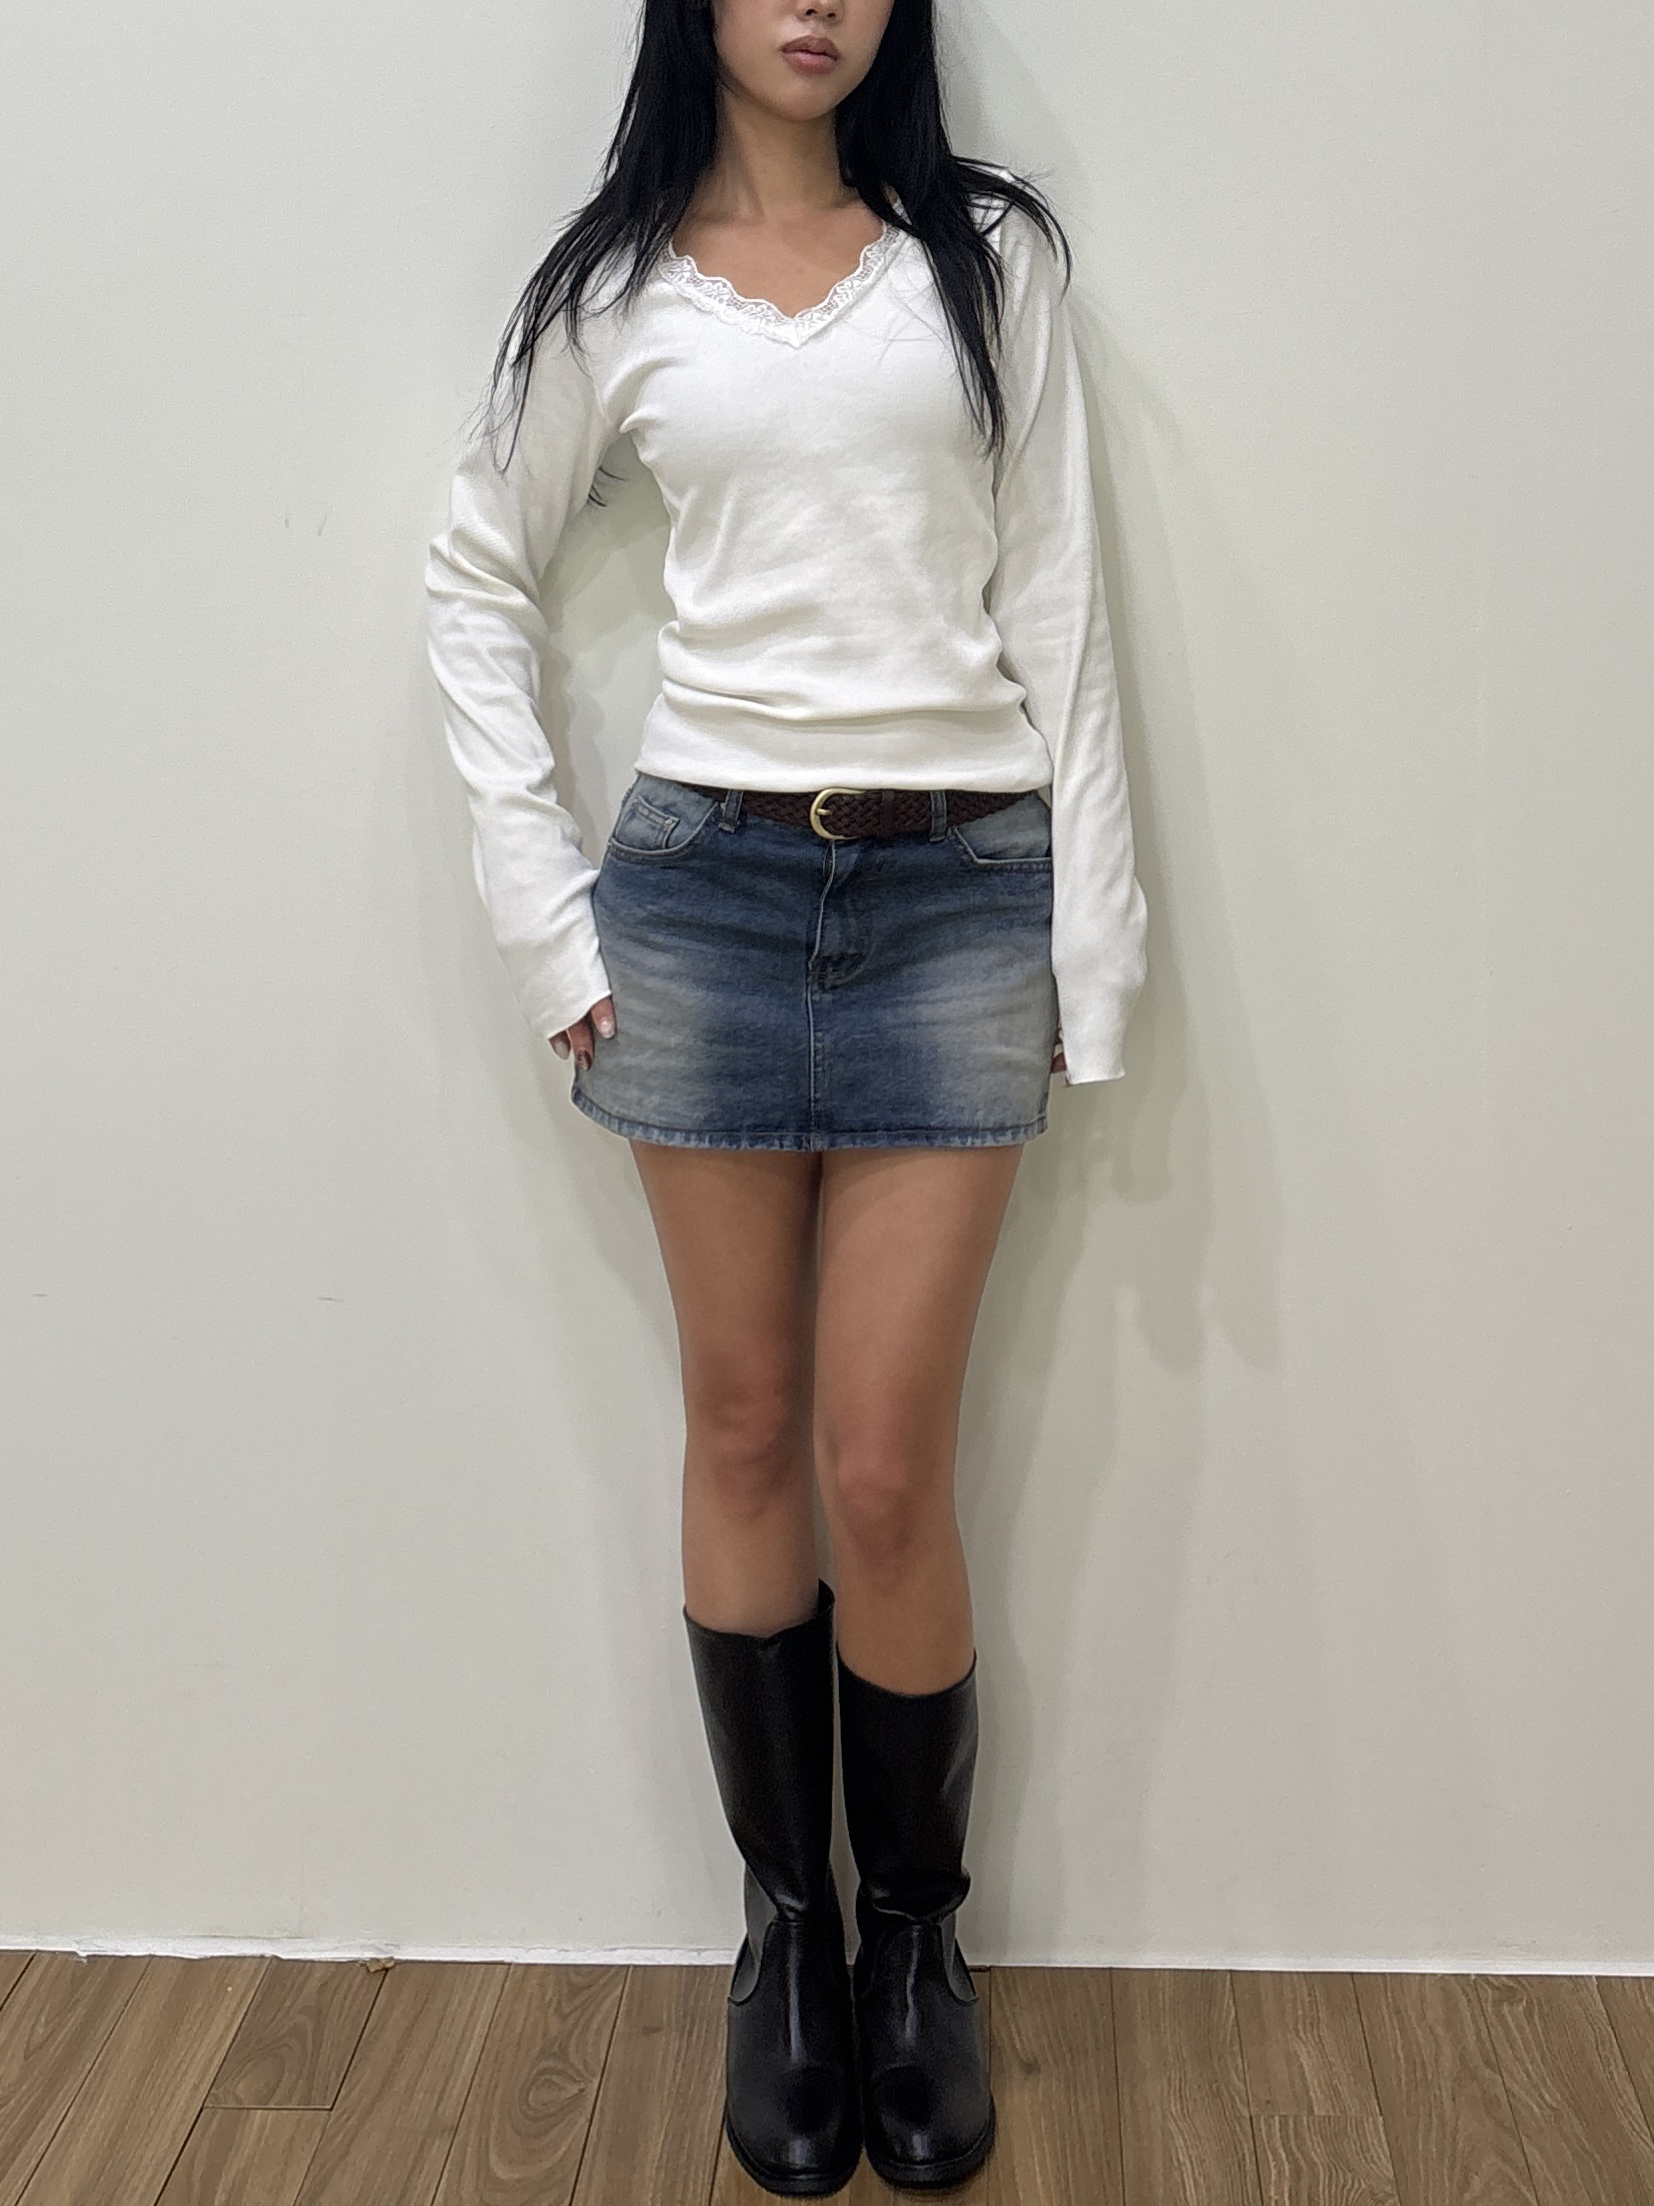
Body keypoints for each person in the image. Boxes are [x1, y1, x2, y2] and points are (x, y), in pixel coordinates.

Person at [424, 0, 1147, 2191]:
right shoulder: (608, 288)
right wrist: (548, 924)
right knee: (740, 1429)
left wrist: (1091, 951)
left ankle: (916, 1940)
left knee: (881, 1460)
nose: (813, 1)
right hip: (701, 902)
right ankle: (785, 1938)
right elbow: (473, 572)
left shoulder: (985, 264)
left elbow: (1059, 601)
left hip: (957, 896)